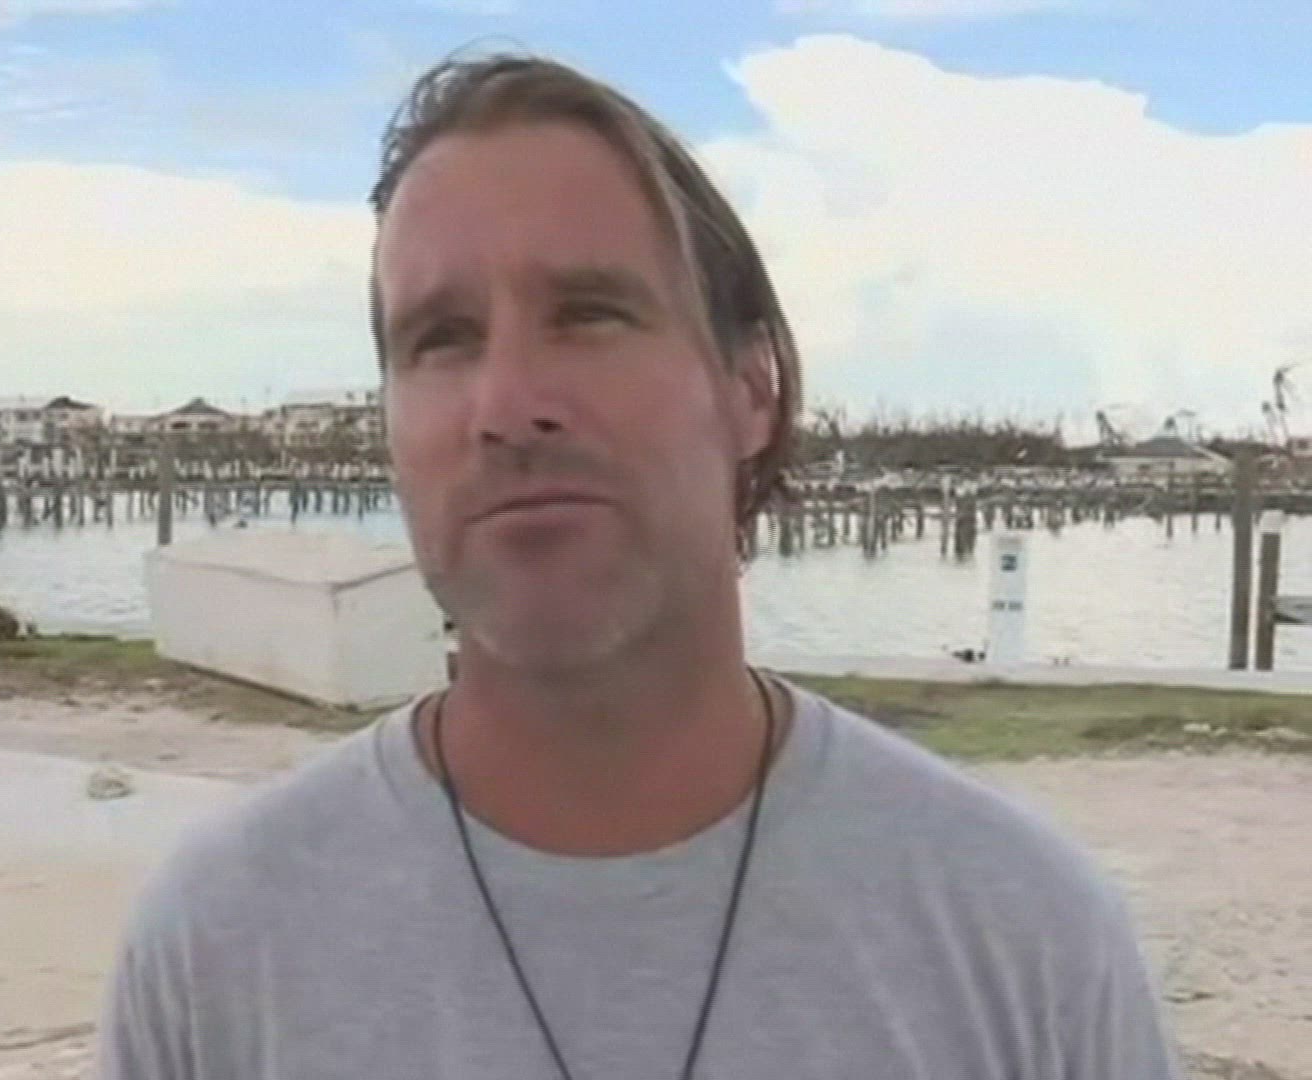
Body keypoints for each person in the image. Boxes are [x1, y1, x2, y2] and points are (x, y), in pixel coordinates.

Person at [97, 52, 1180, 1079]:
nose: (507, 404)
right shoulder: (219, 953)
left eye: (588, 315)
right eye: (442, 338)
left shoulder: (1019, 941)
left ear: (751, 390)